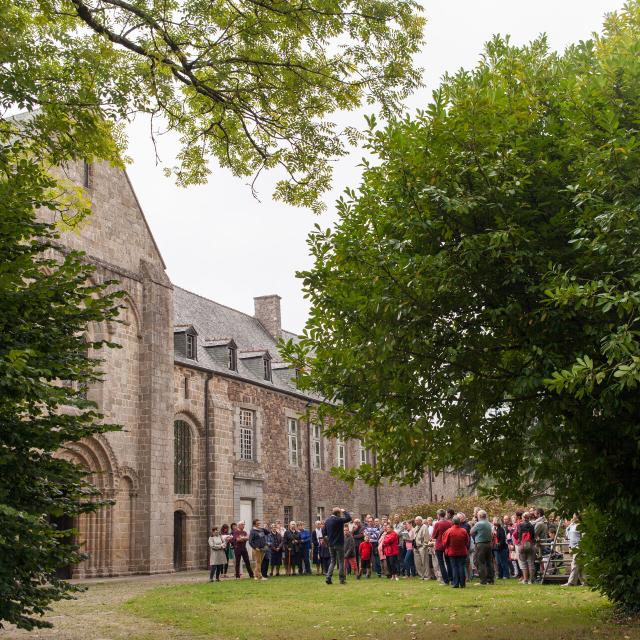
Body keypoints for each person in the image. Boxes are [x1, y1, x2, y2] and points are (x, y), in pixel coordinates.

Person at [324, 507, 352, 585]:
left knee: (332, 561)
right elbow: (349, 518)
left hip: (331, 544)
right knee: (340, 561)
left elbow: (324, 533)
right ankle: (341, 579)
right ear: (338, 513)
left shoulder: (327, 521)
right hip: (339, 544)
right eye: (340, 513)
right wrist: (344, 511)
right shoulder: (339, 520)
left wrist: (328, 542)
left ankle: (328, 578)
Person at [443, 515, 470, 588]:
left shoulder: (449, 531)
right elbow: (467, 541)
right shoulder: (463, 531)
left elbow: (445, 542)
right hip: (462, 551)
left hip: (452, 552)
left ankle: (455, 583)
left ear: (452, 522)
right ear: (459, 522)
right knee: (461, 566)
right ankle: (462, 583)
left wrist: (447, 548)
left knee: (454, 567)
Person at [470, 509, 494, 585]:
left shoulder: (478, 524)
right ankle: (490, 579)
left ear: (479, 516)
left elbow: (471, 532)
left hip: (480, 544)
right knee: (489, 562)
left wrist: (474, 524)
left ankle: (483, 580)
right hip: (488, 544)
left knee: (480, 562)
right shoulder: (489, 523)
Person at [562, 514, 585, 586]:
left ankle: (571, 582)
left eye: (574, 515)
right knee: (580, 565)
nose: (572, 517)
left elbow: (584, 537)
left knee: (574, 564)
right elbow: (568, 535)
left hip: (579, 547)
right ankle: (584, 582)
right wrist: (570, 547)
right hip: (573, 547)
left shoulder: (581, 526)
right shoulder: (572, 526)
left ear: (578, 517)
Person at [432, 509, 452, 585]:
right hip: (447, 544)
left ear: (439, 515)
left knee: (441, 563)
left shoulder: (437, 524)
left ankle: (446, 580)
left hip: (439, 545)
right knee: (449, 562)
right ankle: (451, 578)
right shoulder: (449, 523)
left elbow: (434, 535)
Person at [517, 512, 536, 584]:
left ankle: (525, 580)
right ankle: (531, 580)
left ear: (522, 518)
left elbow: (518, 536)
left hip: (522, 545)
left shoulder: (520, 525)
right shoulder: (531, 525)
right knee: (531, 563)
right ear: (529, 518)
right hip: (530, 545)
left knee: (524, 563)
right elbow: (533, 536)